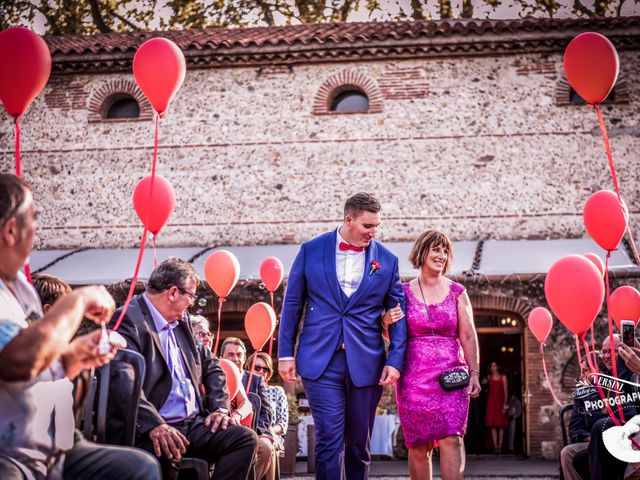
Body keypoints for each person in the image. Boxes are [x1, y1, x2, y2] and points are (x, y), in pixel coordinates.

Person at [0, 173, 161, 480]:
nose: (36, 229)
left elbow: (37, 374)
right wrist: (76, 300)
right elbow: (18, 363)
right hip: (8, 457)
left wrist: (73, 360)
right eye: (33, 218)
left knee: (139, 469)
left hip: (52, 446)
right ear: (10, 230)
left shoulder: (21, 290)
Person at [278, 192, 407, 480]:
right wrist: (285, 353)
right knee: (328, 441)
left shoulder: (387, 260)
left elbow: (398, 313)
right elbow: (292, 304)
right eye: (367, 226)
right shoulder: (311, 250)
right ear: (348, 220)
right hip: (320, 361)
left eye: (376, 226)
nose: (373, 233)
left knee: (359, 446)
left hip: (367, 362)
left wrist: (395, 360)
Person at [107, 258, 257, 480]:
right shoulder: (128, 319)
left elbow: (212, 365)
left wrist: (220, 409)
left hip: (192, 424)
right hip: (149, 426)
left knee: (244, 439)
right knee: (166, 449)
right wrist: (154, 425)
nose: (192, 303)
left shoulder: (182, 322)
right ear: (174, 292)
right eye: (191, 296)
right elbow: (122, 380)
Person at [395, 229, 480, 480]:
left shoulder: (458, 292)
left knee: (452, 438)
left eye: (445, 251)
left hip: (451, 377)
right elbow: (393, 335)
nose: (441, 255)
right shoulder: (402, 292)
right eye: (436, 249)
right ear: (422, 252)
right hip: (413, 379)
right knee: (418, 446)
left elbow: (468, 335)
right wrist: (384, 321)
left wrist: (474, 372)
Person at [220, 337, 274, 480]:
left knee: (265, 448)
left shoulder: (256, 380)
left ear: (244, 359)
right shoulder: (215, 378)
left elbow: (266, 411)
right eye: (230, 354)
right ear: (222, 357)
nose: (235, 359)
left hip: (254, 430)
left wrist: (257, 433)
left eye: (239, 355)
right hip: (224, 430)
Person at [560, 354, 603, 480]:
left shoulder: (615, 387)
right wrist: (590, 438)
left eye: (585, 371)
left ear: (598, 370)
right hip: (590, 442)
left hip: (615, 440)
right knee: (567, 452)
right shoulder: (582, 394)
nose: (581, 376)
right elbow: (574, 429)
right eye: (581, 371)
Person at [247, 351, 289, 452]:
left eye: (265, 369)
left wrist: (270, 430)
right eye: (257, 367)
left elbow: (283, 423)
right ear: (249, 368)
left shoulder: (277, 391)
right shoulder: (244, 390)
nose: (261, 371)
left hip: (270, 433)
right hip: (246, 433)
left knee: (266, 445)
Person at [485, 361, 509, 454]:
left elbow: (506, 391)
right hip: (491, 402)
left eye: (495, 365)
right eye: (492, 366)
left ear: (498, 367)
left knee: (501, 425)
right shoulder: (489, 377)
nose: (493, 367)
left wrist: (505, 404)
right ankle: (496, 447)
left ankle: (500, 446)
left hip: (500, 402)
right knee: (493, 425)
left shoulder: (503, 377)